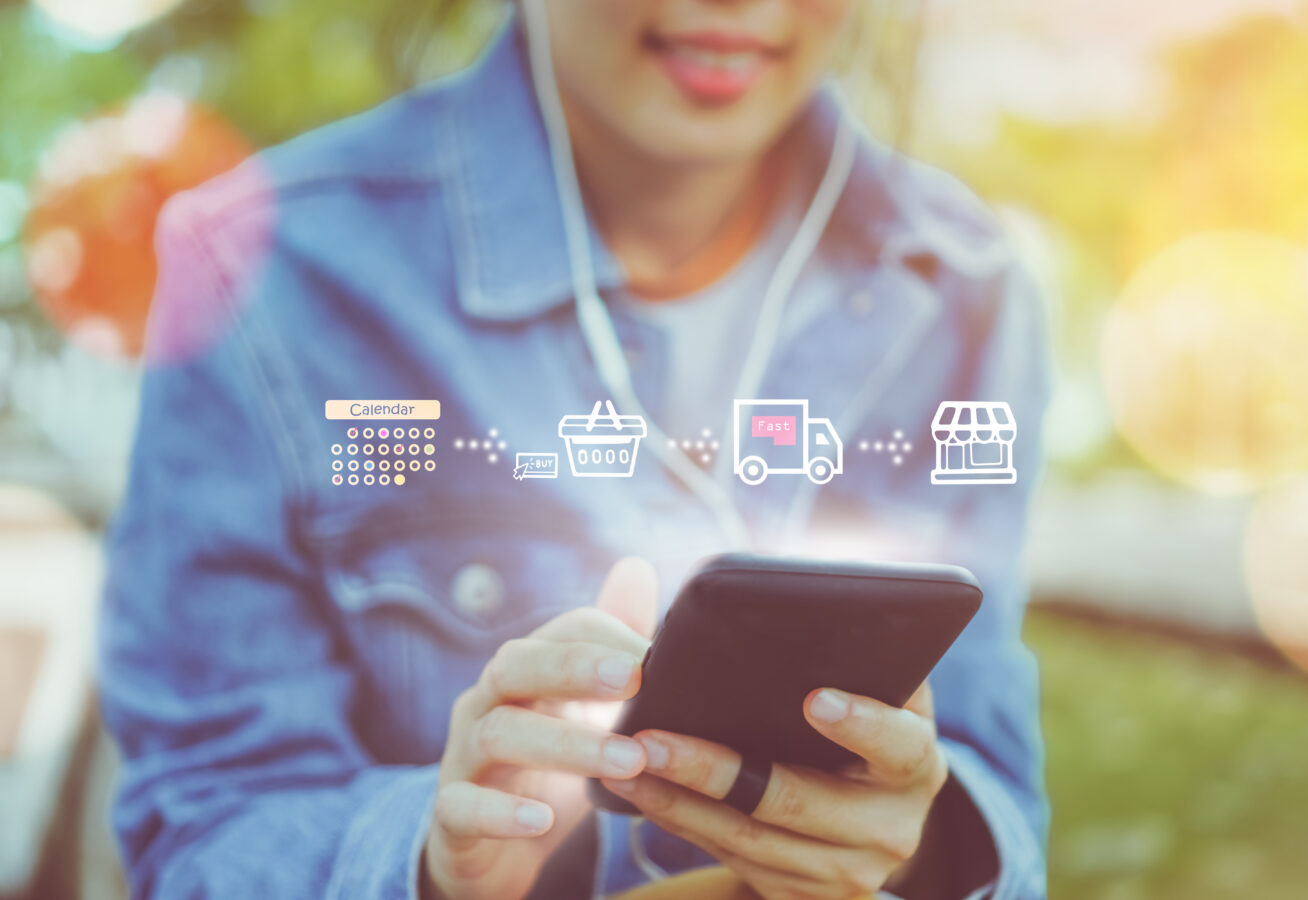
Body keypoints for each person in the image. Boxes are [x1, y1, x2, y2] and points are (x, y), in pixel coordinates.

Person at [100, 1, 1052, 898]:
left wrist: (919, 835)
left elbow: (989, 770)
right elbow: (202, 825)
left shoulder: (967, 282)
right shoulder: (262, 274)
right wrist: (431, 862)